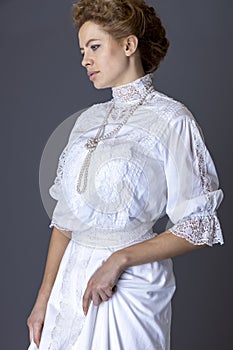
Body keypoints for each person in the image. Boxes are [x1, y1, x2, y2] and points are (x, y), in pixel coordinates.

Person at [27, 0, 224, 349]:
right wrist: (43, 298)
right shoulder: (86, 121)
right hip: (69, 286)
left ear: (129, 45)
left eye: (95, 46)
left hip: (129, 287)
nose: (85, 59)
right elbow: (66, 219)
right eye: (82, 50)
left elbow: (198, 226)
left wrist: (119, 260)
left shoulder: (173, 120)